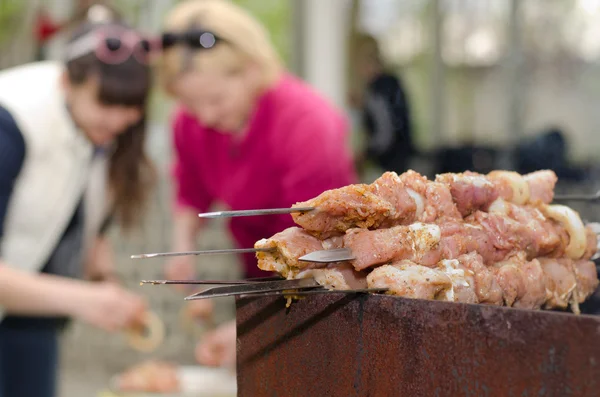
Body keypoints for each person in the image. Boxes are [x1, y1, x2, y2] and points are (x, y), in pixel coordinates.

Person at [156, 0, 357, 367]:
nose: (205, 115)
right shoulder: (192, 122)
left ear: (251, 70)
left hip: (325, 281)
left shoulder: (309, 125)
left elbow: (318, 250)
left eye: (216, 99)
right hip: (258, 272)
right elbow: (190, 190)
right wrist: (184, 250)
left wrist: (252, 330)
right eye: (189, 102)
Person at [0, 7, 156, 397]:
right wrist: (84, 300)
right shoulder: (13, 122)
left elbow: (85, 227)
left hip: (33, 319)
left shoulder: (102, 131)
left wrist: (103, 281)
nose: (120, 118)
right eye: (107, 102)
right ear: (67, 81)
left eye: (131, 107)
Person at [354, 34, 414, 175]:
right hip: (402, 157)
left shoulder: (379, 88)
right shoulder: (392, 84)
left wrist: (365, 154)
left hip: (390, 162)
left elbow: (384, 132)